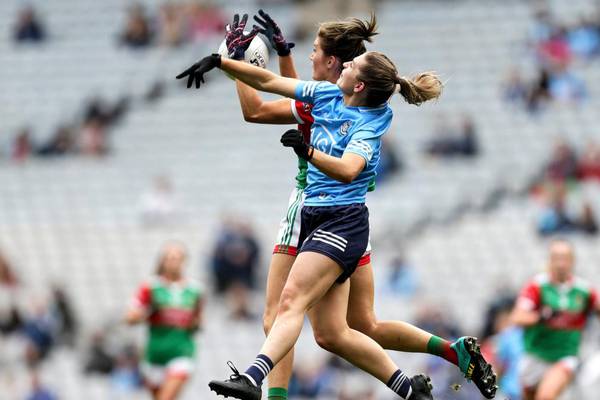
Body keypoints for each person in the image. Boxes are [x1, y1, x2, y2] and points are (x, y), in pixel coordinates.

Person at [177, 18, 498, 400]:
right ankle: (430, 370)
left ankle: (259, 384)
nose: (309, 53)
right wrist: (224, 61)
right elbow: (282, 89)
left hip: (328, 213)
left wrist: (243, 62)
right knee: (348, 328)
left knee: (281, 311)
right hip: (335, 216)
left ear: (337, 65)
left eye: (315, 49)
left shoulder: (362, 116)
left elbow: (261, 111)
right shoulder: (328, 95)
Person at [511, 239, 600, 400]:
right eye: (556, 258)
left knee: (545, 396)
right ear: (549, 261)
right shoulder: (537, 286)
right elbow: (517, 316)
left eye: (564, 258)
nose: (561, 264)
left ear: (572, 261)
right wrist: (541, 317)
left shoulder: (584, 290)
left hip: (565, 356)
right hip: (535, 355)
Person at [125, 242, 204, 400]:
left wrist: (192, 323)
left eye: (176, 258)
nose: (173, 262)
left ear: (184, 261)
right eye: (168, 258)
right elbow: (130, 317)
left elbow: (198, 322)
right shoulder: (150, 287)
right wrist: (149, 311)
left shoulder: (195, 290)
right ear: (162, 261)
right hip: (154, 355)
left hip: (181, 352)